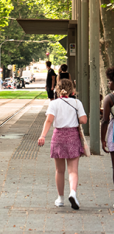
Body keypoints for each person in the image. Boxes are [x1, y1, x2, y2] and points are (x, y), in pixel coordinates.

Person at [37, 79, 87, 210]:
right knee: (73, 170)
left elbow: (49, 120)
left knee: (59, 171)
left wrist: (42, 136)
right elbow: (83, 120)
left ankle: (60, 199)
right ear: (72, 90)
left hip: (58, 137)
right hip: (72, 137)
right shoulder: (77, 103)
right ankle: (73, 193)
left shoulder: (54, 104)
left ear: (57, 90)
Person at [100, 67, 114, 198]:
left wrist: (102, 139)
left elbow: (105, 121)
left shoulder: (109, 98)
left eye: (110, 81)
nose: (109, 83)